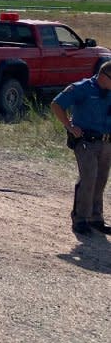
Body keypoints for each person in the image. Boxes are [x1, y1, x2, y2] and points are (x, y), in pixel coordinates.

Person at [51, 61, 111, 236]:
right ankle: (80, 219)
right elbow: (57, 104)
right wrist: (69, 126)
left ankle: (96, 218)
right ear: (103, 76)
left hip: (106, 142)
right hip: (85, 141)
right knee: (88, 178)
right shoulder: (82, 87)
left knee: (101, 180)